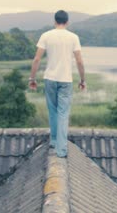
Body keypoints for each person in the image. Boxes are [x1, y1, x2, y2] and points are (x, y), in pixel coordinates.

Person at [28, 10, 86, 158]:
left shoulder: (46, 36)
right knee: (63, 113)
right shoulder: (73, 37)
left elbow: (36, 59)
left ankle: (54, 141)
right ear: (67, 22)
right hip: (66, 80)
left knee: (52, 110)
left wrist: (32, 79)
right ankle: (61, 149)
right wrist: (82, 80)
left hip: (50, 78)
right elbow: (79, 61)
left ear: (54, 21)